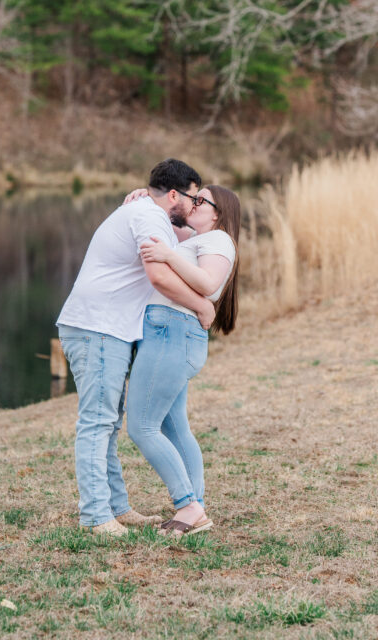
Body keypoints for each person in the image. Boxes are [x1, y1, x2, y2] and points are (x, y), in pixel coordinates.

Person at [56, 158, 216, 536]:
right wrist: (202, 305)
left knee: (108, 422)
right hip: (96, 327)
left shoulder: (146, 211)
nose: (194, 206)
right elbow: (158, 275)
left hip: (106, 328)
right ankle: (96, 516)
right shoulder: (149, 216)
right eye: (193, 198)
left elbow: (184, 250)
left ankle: (117, 508)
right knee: (97, 422)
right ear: (174, 194)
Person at [124, 183, 239, 537]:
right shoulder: (192, 238)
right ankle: (196, 507)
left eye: (202, 200)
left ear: (218, 213)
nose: (195, 203)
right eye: (194, 197)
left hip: (173, 333)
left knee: (141, 425)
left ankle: (188, 504)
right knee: (174, 427)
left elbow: (208, 284)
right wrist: (143, 197)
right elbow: (162, 215)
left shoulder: (219, 240)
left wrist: (169, 257)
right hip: (169, 333)